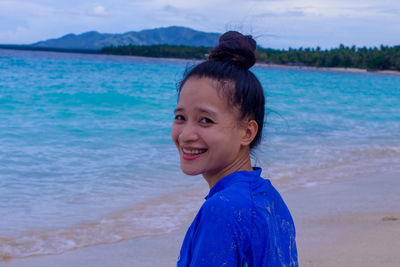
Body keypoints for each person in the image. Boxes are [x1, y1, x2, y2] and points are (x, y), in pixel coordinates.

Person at [171, 31, 298, 267]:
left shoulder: (222, 210)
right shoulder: (269, 198)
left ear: (247, 132)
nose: (186, 135)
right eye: (180, 117)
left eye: (206, 120)